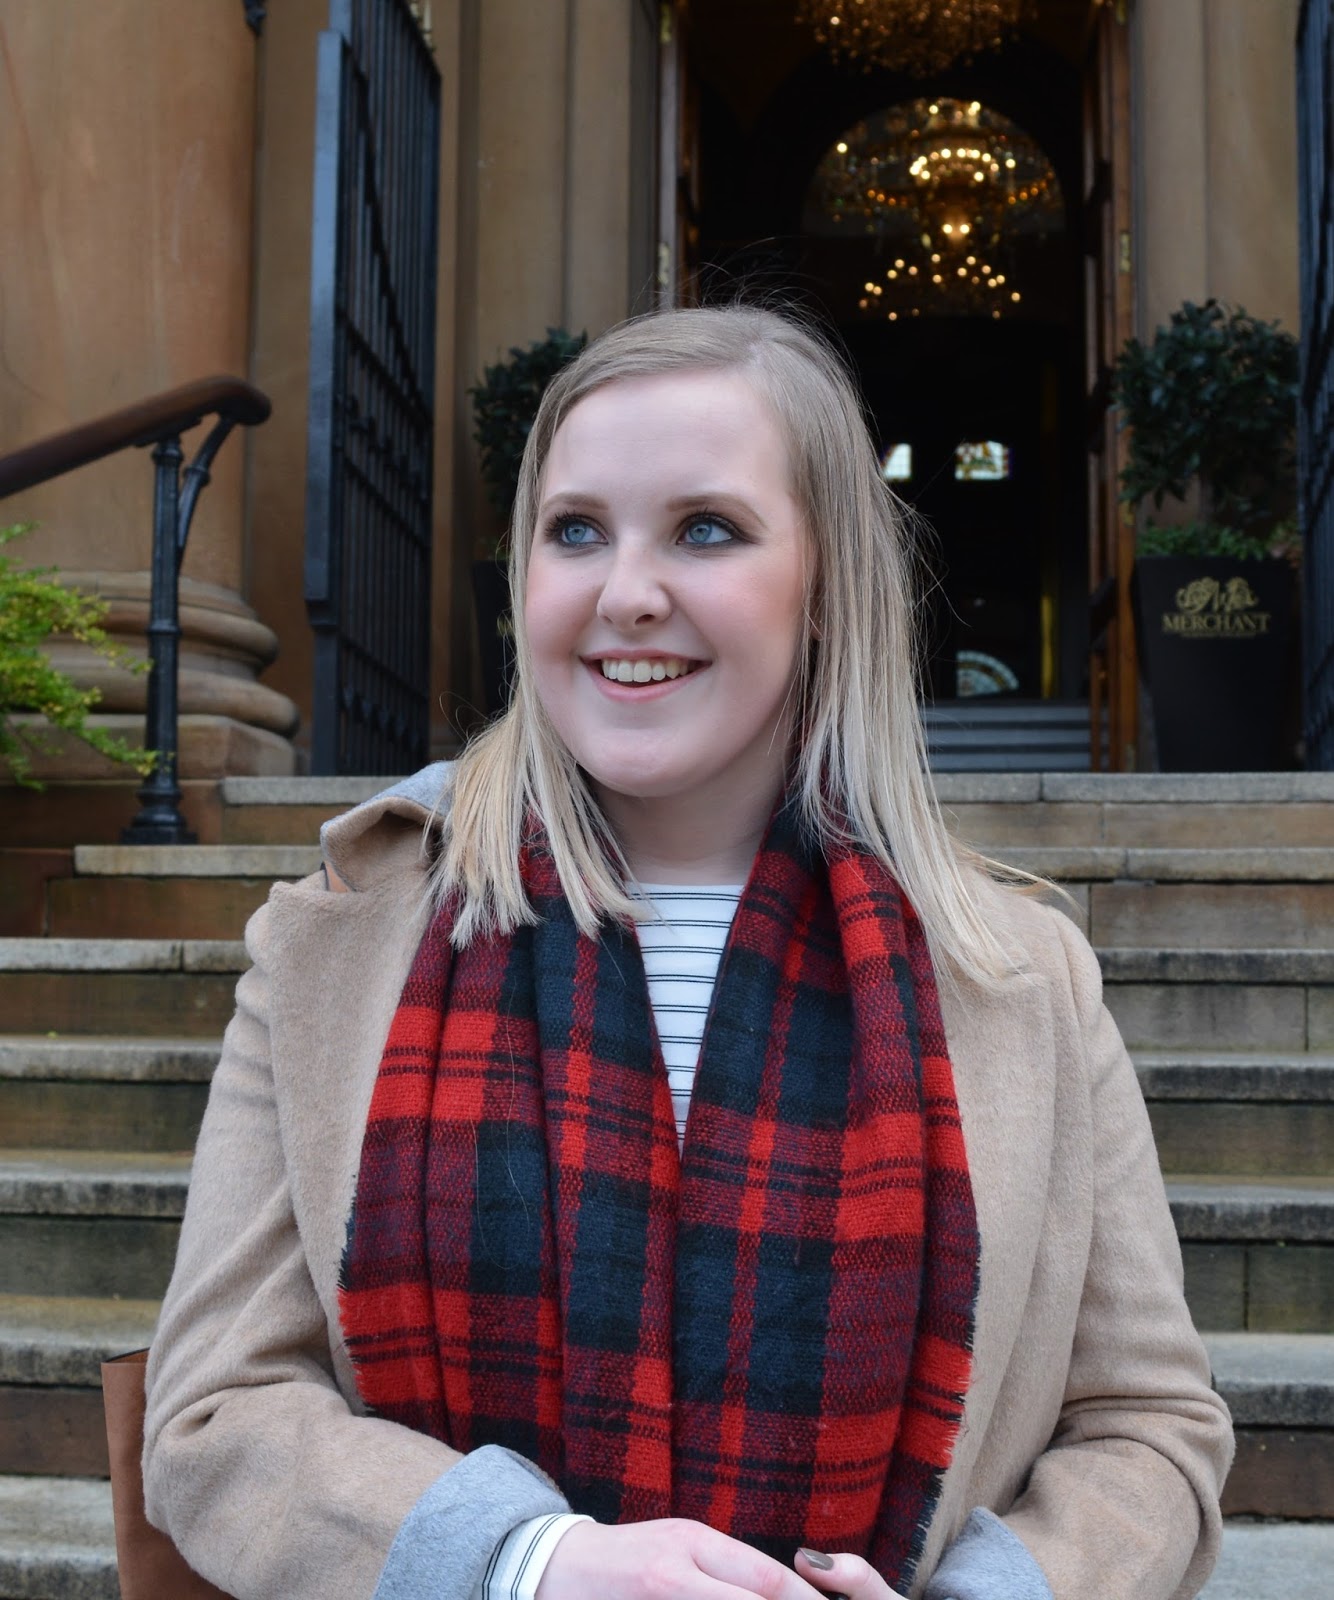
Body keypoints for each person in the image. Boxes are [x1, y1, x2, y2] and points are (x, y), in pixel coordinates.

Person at [142, 305, 1233, 1600]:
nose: (625, 594)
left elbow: (1149, 1434)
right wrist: (530, 1564)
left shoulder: (1021, 978)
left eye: (704, 528)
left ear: (825, 586)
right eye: (575, 531)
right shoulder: (332, 942)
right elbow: (216, 1410)